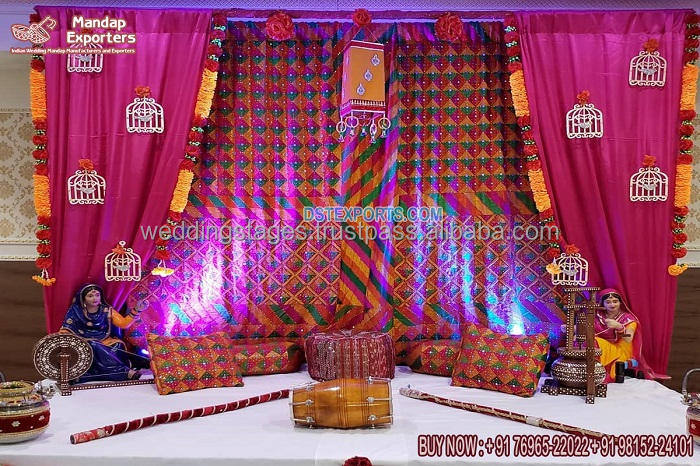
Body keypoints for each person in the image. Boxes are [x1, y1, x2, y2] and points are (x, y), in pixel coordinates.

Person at [60, 284, 141, 383]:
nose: (95, 298)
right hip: (84, 341)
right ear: (83, 299)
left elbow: (123, 324)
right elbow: (66, 328)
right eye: (90, 296)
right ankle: (123, 372)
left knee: (117, 345)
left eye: (97, 295)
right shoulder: (76, 310)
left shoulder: (106, 310)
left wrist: (137, 310)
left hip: (105, 340)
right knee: (93, 344)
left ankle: (92, 375)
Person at [594, 288, 659, 382]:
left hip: (621, 350)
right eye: (608, 302)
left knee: (612, 373)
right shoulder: (598, 317)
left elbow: (628, 338)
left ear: (620, 302)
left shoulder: (628, 319)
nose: (612, 305)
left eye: (615, 301)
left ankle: (599, 373)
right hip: (602, 347)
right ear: (602, 304)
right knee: (590, 342)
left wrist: (620, 327)